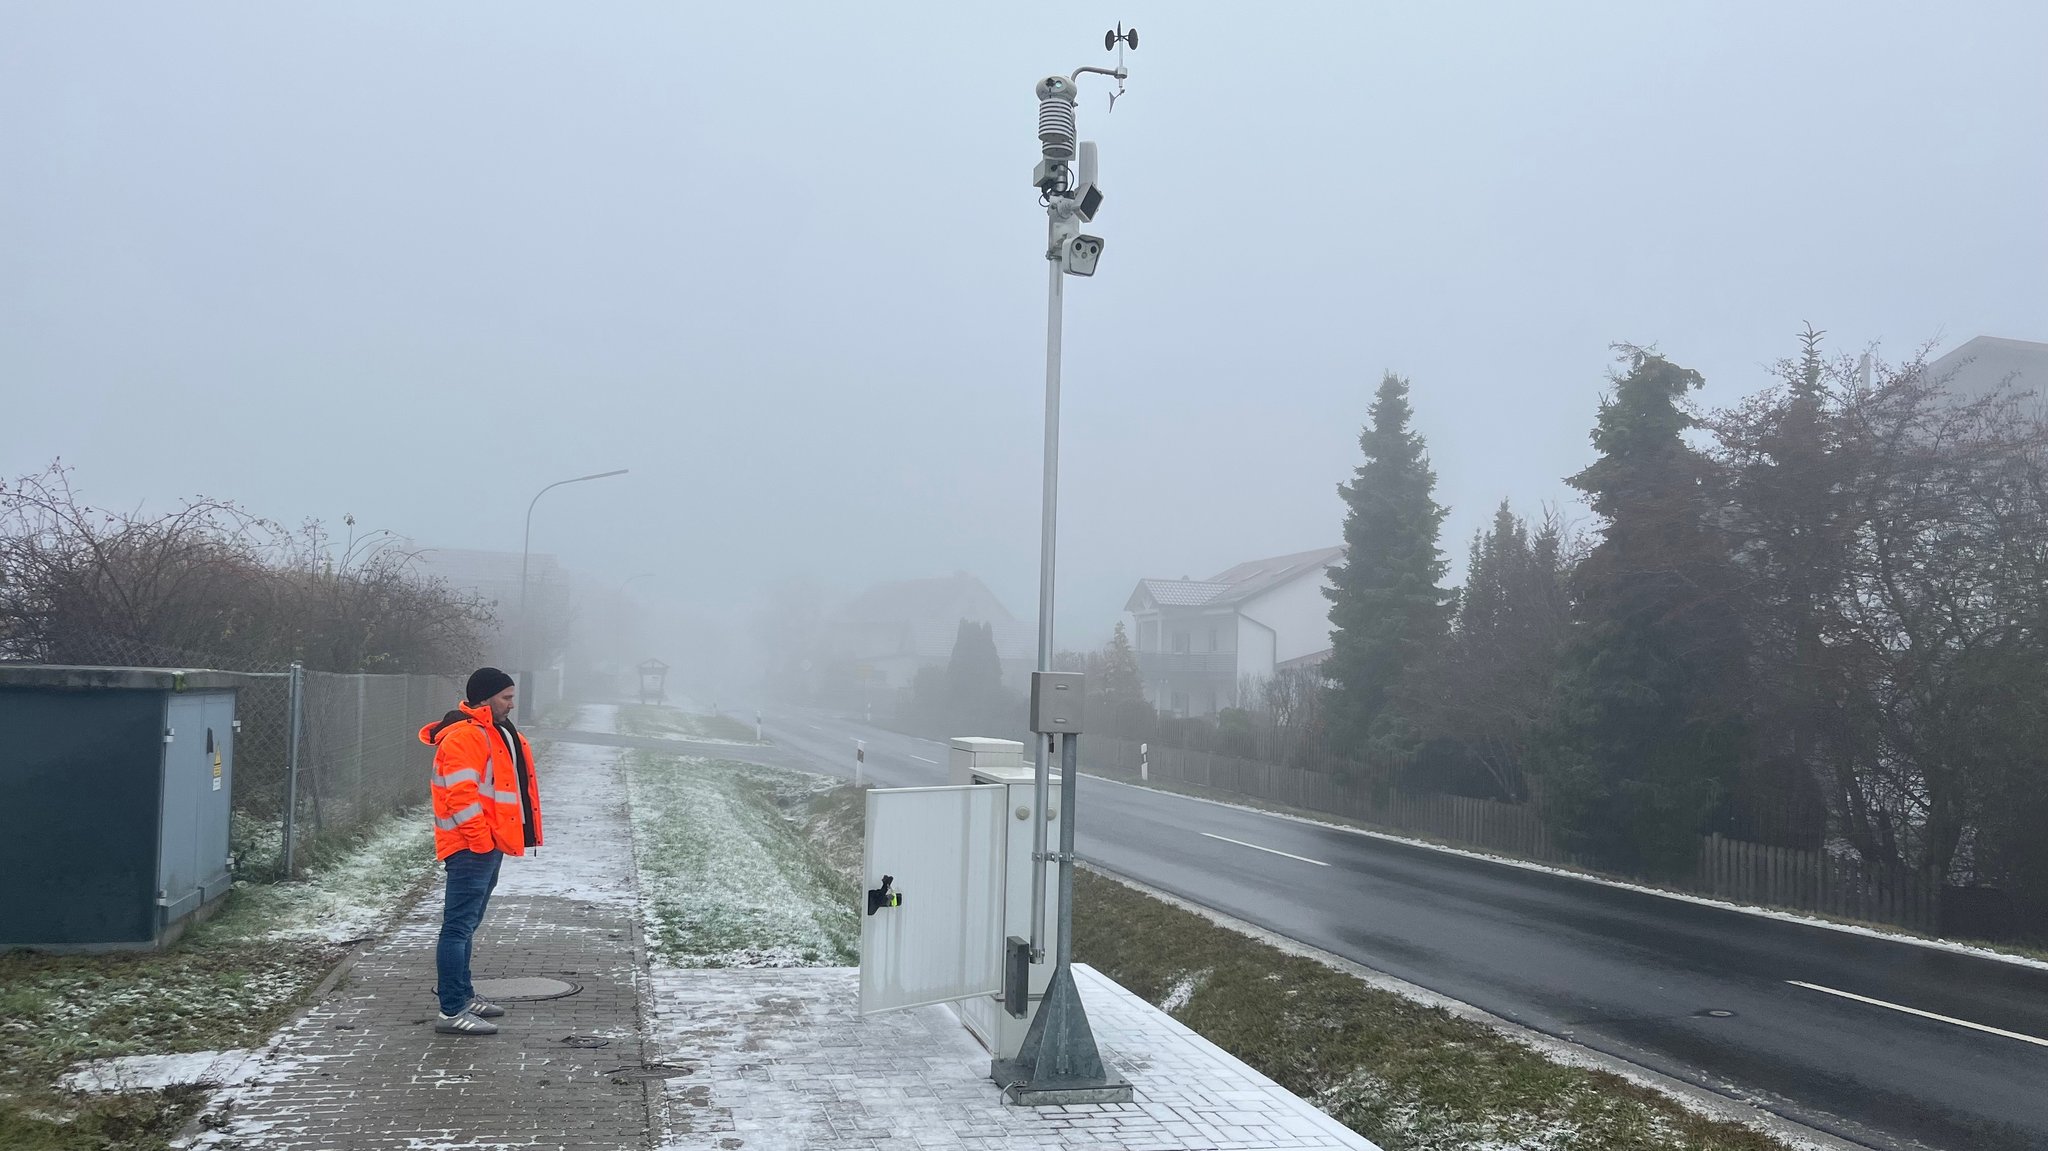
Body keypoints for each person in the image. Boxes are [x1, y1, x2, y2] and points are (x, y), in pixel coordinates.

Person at [417, 667, 544, 1036]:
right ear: (485, 698)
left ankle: (463, 995)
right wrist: (480, 840)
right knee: (457, 928)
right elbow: (460, 796)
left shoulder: (491, 732)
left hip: (485, 845)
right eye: (505, 697)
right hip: (472, 846)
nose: (512, 703)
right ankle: (452, 1010)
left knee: (467, 925)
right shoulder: (466, 737)